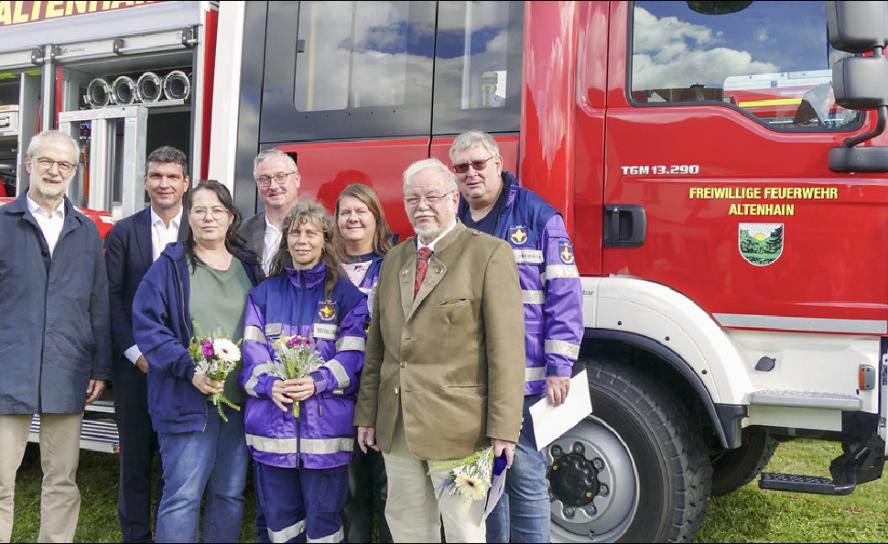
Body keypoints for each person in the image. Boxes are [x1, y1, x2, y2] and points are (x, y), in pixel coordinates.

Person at [354, 158, 526, 543]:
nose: (423, 205)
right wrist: (368, 413)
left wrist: (503, 429)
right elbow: (377, 345)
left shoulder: (488, 255)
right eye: (413, 198)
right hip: (396, 423)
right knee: (408, 528)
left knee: (464, 531)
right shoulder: (395, 258)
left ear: (454, 198)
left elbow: (507, 351)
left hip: (459, 428)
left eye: (433, 196)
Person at [450, 130, 584, 543]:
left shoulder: (538, 216)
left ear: (498, 164)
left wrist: (559, 368)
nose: (471, 174)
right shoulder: (452, 223)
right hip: (471, 380)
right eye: (461, 168)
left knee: (525, 477)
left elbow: (565, 295)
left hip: (525, 379)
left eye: (478, 164)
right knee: (481, 480)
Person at [132, 180, 260, 543]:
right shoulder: (169, 266)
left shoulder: (248, 268)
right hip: (186, 403)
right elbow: (148, 327)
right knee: (183, 497)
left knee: (230, 495)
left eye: (217, 210)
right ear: (189, 216)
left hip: (238, 404)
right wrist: (190, 370)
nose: (208, 218)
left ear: (231, 217)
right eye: (199, 210)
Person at [0, 129, 111, 543]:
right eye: (46, 161)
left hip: (68, 369)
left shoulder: (85, 231)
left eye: (64, 164)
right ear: (28, 164)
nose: (54, 170)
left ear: (74, 173)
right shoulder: (3, 223)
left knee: (62, 478)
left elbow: (98, 302)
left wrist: (99, 365)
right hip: (7, 368)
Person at [241, 200, 369, 543]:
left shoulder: (347, 296)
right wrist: (271, 385)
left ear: (325, 240)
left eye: (311, 233)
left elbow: (354, 357)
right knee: (280, 524)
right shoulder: (263, 294)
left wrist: (316, 382)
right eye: (295, 232)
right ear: (286, 240)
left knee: (325, 523)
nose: (302, 240)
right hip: (273, 426)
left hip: (325, 432)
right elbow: (251, 352)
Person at [105, 145, 190, 543]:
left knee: (179, 461)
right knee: (136, 460)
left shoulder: (200, 228)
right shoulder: (125, 232)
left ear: (185, 182)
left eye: (172, 176)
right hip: (135, 368)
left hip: (185, 369)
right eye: (156, 176)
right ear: (145, 182)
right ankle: (136, 536)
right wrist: (137, 354)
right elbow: (112, 298)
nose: (164, 183)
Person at [333, 184, 394, 543]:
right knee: (350, 488)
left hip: (385, 391)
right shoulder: (326, 268)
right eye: (345, 212)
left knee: (390, 486)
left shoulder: (394, 263)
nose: (353, 218)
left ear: (376, 218)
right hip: (340, 395)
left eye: (361, 211)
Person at [241, 148, 301, 276]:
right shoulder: (240, 232)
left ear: (297, 179)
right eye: (264, 179)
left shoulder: (321, 230)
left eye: (281, 176)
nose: (273, 186)